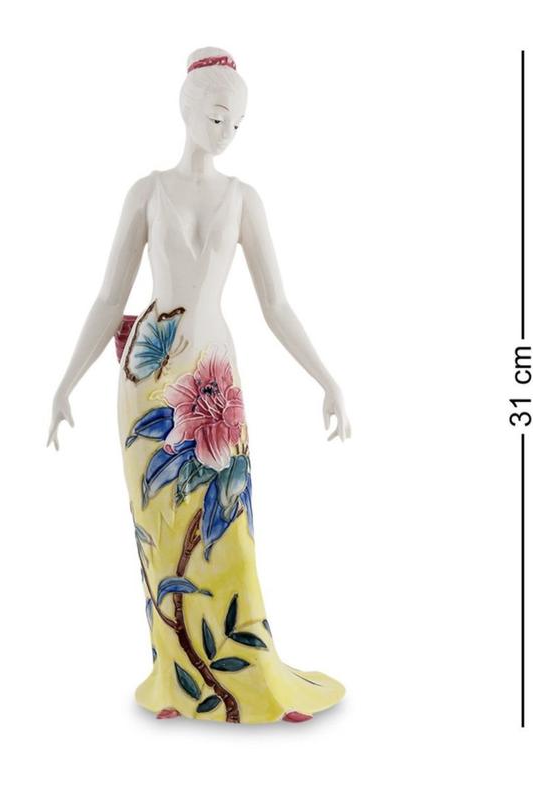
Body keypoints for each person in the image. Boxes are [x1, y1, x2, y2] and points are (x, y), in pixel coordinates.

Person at [47, 47, 352, 724]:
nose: (227, 133)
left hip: (214, 383)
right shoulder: (146, 191)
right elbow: (108, 299)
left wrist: (326, 378)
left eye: (237, 123)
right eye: (217, 117)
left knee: (227, 528)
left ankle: (249, 679)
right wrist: (66, 382)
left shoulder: (243, 199)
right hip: (148, 381)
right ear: (187, 109)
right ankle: (176, 678)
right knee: (158, 531)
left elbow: (276, 304)